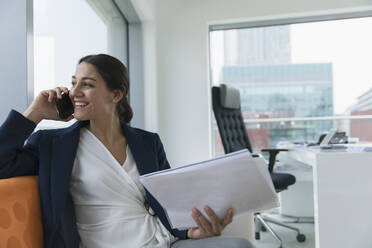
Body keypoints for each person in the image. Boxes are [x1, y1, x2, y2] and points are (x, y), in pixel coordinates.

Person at [0, 54, 254, 248]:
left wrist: (190, 232)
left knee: (240, 245)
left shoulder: (147, 142)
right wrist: (34, 113)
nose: (74, 92)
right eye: (73, 83)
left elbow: (168, 204)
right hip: (98, 243)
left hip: (157, 239)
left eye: (86, 84)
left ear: (116, 94)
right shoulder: (52, 143)